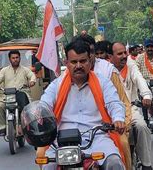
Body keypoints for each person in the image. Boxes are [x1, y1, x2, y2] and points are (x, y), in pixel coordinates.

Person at [40, 40, 126, 170]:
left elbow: (114, 103)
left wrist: (118, 119)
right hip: (63, 141)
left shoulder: (103, 82)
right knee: (47, 166)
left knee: (114, 163)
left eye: (83, 61)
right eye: (74, 62)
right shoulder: (56, 85)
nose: (78, 66)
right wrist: (39, 115)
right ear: (66, 63)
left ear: (90, 62)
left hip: (97, 138)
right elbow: (44, 104)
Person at [74, 34, 133, 170]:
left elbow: (119, 102)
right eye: (76, 59)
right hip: (71, 135)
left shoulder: (106, 73)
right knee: (44, 156)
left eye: (89, 54)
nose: (80, 64)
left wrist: (120, 121)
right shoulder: (62, 81)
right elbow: (47, 106)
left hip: (104, 129)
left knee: (122, 145)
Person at [111, 42, 153, 170]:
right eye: (119, 54)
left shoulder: (131, 65)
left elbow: (139, 79)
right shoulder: (106, 69)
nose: (124, 56)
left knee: (141, 126)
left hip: (131, 108)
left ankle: (147, 164)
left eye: (125, 52)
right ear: (111, 56)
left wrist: (146, 95)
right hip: (112, 113)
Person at [0, 50, 36, 136]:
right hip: (8, 95)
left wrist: (32, 81)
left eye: (17, 58)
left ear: (20, 58)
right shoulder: (4, 70)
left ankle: (28, 128)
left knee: (29, 110)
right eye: (13, 58)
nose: (15, 60)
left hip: (22, 94)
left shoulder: (25, 70)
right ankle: (3, 127)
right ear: (9, 59)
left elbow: (32, 76)